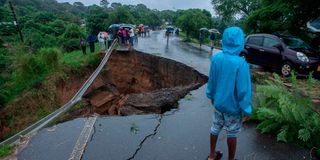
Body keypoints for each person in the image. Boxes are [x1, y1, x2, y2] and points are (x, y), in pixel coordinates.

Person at [206, 27, 252, 160]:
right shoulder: (241, 64)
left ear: (224, 40)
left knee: (215, 128)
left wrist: (211, 96)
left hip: (218, 104)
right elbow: (243, 90)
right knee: (232, 133)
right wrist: (246, 109)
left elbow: (212, 81)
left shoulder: (216, 58)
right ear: (240, 42)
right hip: (233, 108)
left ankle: (211, 155)